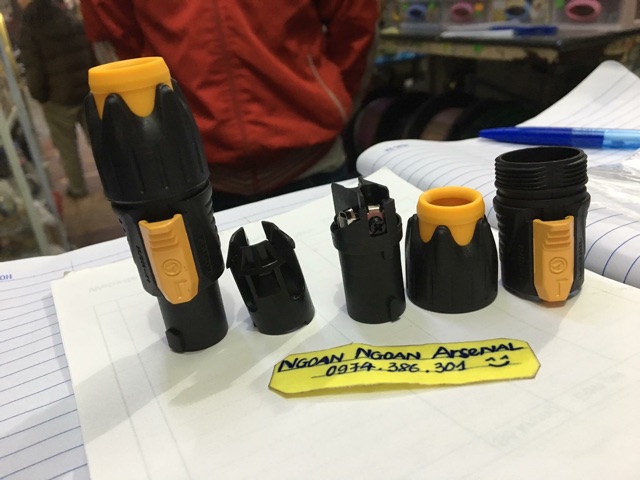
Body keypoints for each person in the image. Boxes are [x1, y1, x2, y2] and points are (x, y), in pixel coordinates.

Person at [79, 0, 379, 210]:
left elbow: (355, 22)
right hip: (191, 174)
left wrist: (334, 99)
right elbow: (117, 44)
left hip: (312, 157)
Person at [18, 0, 94, 198]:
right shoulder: (67, 16)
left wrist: (40, 95)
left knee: (67, 146)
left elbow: (33, 68)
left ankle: (78, 188)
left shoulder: (30, 26)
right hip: (84, 89)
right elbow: (88, 48)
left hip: (58, 98)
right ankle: (115, 180)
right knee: (98, 140)